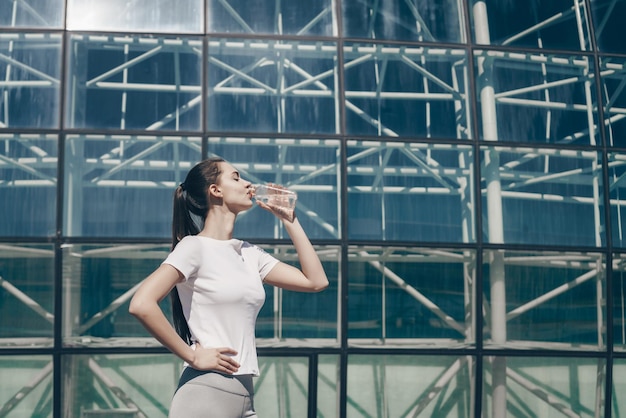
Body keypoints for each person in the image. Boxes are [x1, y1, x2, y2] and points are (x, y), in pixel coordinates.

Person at [129, 157, 329, 417]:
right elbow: (141, 304)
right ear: (216, 190)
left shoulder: (249, 253)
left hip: (244, 392)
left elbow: (316, 281)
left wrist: (290, 220)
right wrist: (192, 356)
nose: (247, 183)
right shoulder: (193, 247)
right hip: (205, 391)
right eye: (236, 177)